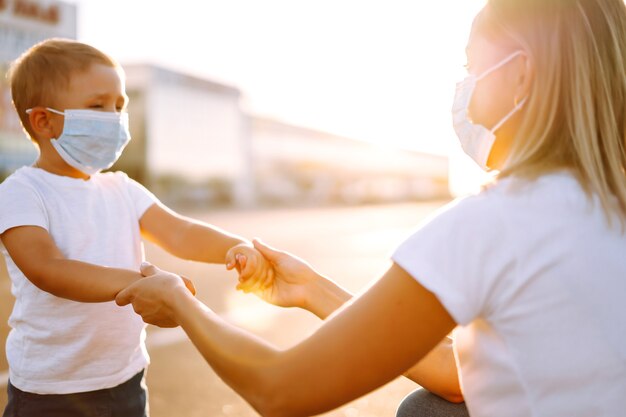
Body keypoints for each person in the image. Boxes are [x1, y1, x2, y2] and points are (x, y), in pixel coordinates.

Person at [116, 0, 626, 416]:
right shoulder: (604, 205)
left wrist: (180, 301)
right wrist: (311, 288)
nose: (464, 86)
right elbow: (457, 377)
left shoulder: (494, 223)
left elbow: (281, 389)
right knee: (429, 408)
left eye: (472, 65)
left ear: (520, 75)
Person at [0, 39, 270, 417]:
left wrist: (235, 247)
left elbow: (180, 231)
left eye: (119, 106)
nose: (114, 117)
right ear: (44, 121)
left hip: (125, 380)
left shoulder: (122, 188)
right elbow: (47, 269)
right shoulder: (21, 191)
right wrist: (140, 285)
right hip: (50, 392)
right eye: (98, 106)